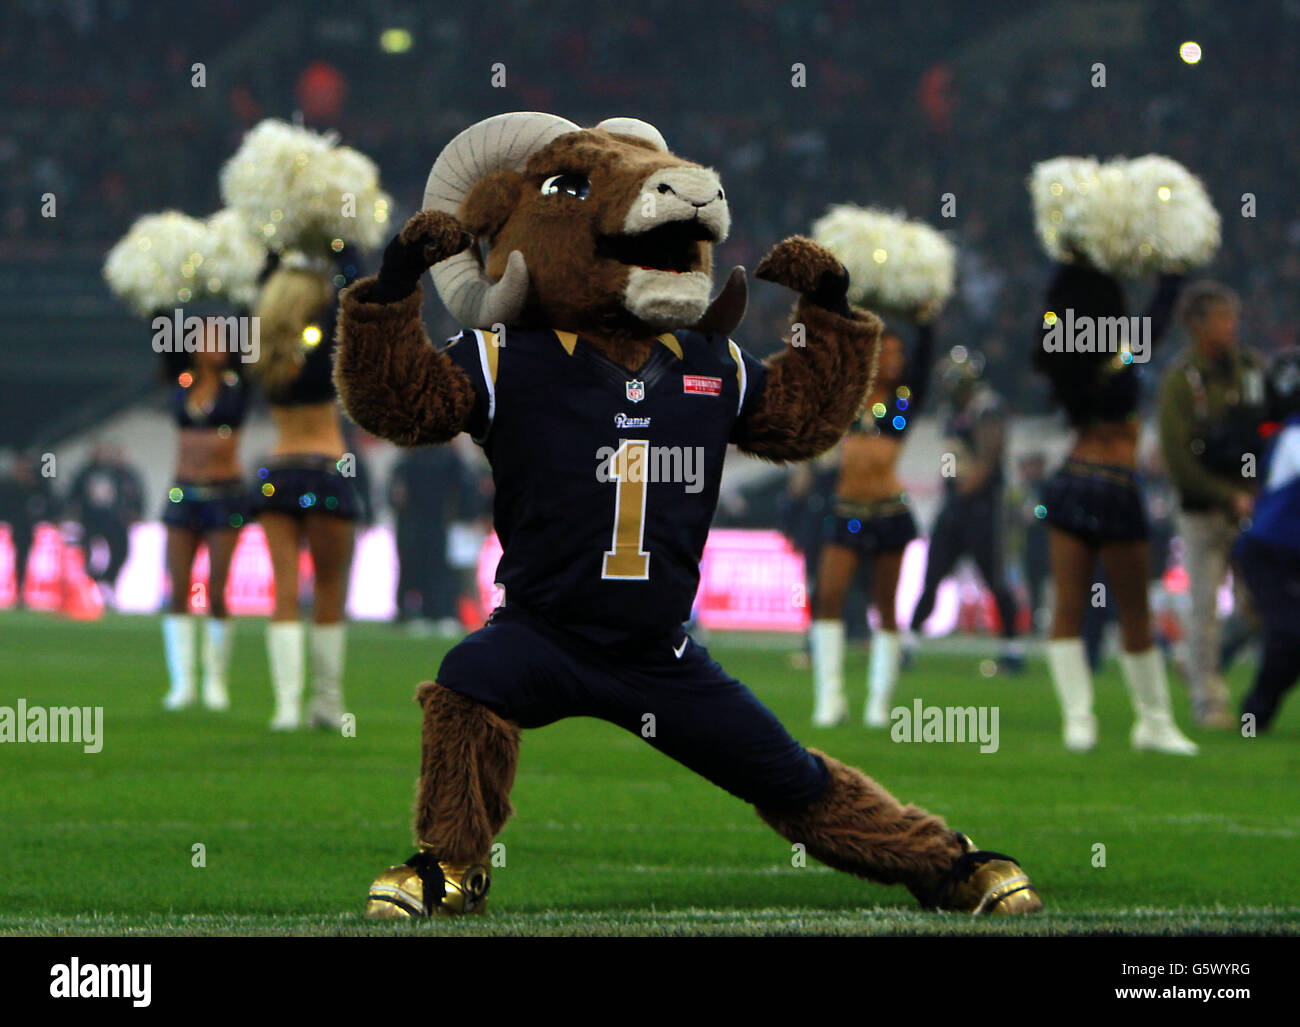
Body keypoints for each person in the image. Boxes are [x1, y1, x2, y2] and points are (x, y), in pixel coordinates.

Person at [1035, 262, 1198, 754]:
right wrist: (1170, 277)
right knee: (1129, 610)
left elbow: (1052, 328)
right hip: (1112, 484)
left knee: (1076, 607)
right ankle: (1145, 721)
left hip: (1077, 483)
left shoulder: (1067, 353)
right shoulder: (1110, 355)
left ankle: (1087, 722)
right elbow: (1155, 321)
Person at [249, 251, 363, 731]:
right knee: (331, 587)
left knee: (285, 590)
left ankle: (286, 708)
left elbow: (256, 289)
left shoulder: (266, 351)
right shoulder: (323, 349)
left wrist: (275, 254)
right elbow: (352, 287)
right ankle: (328, 704)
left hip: (276, 471)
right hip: (325, 471)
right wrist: (338, 243)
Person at [808, 310, 935, 726]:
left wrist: (926, 320)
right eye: (887, 352)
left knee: (886, 606)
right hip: (846, 510)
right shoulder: (848, 396)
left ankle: (879, 702)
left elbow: (925, 362)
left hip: (888, 511)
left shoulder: (903, 402)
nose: (894, 359)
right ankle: (830, 698)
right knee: (828, 596)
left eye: (899, 353)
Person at [1157, 281, 1268, 728]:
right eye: (1222, 318)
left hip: (1253, 508)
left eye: (1233, 318)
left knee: (1261, 604)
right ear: (1196, 324)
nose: (1231, 327)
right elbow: (1178, 457)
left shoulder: (1251, 369)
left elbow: (1270, 426)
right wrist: (1229, 496)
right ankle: (1209, 702)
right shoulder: (1182, 381)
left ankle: (1201, 660)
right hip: (1203, 510)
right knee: (1203, 607)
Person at [908, 348, 1024, 670]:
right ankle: (908, 643)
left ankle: (1012, 648)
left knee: (995, 578)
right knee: (933, 575)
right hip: (956, 504)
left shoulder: (987, 408)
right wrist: (952, 485)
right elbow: (948, 459)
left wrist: (967, 485)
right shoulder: (951, 412)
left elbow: (988, 459)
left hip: (985, 506)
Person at [157, 337, 251, 710]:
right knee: (178, 588)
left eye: (218, 338)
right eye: (202, 338)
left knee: (216, 590)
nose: (210, 345)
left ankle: (216, 681)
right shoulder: (181, 381)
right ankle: (183, 683)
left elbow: (248, 321)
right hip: (182, 492)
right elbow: (160, 331)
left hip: (224, 493)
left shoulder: (238, 386)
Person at [1233, 348, 1300, 731]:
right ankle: (1255, 714)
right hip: (1271, 552)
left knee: (1290, 634)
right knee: (1288, 633)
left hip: (1282, 549)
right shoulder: (1294, 433)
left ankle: (1257, 712)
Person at [64, 442, 144, 603]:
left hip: (114, 521)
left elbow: (133, 494)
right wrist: (71, 515)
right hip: (90, 521)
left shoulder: (119, 473)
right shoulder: (85, 473)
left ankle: (106, 583)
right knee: (90, 554)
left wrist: (133, 512)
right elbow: (73, 496)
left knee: (120, 552)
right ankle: (91, 585)